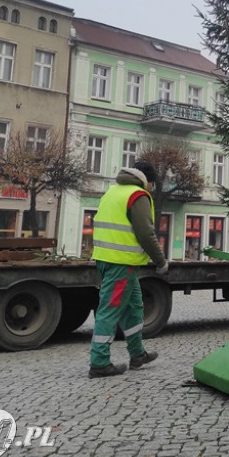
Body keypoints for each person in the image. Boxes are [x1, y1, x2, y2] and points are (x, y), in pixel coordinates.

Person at [89, 160, 169, 378]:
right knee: (109, 310)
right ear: (147, 180)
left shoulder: (112, 192)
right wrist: (161, 261)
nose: (151, 188)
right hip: (121, 263)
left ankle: (137, 354)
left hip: (107, 260)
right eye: (152, 184)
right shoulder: (138, 195)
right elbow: (146, 233)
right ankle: (99, 363)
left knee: (134, 307)